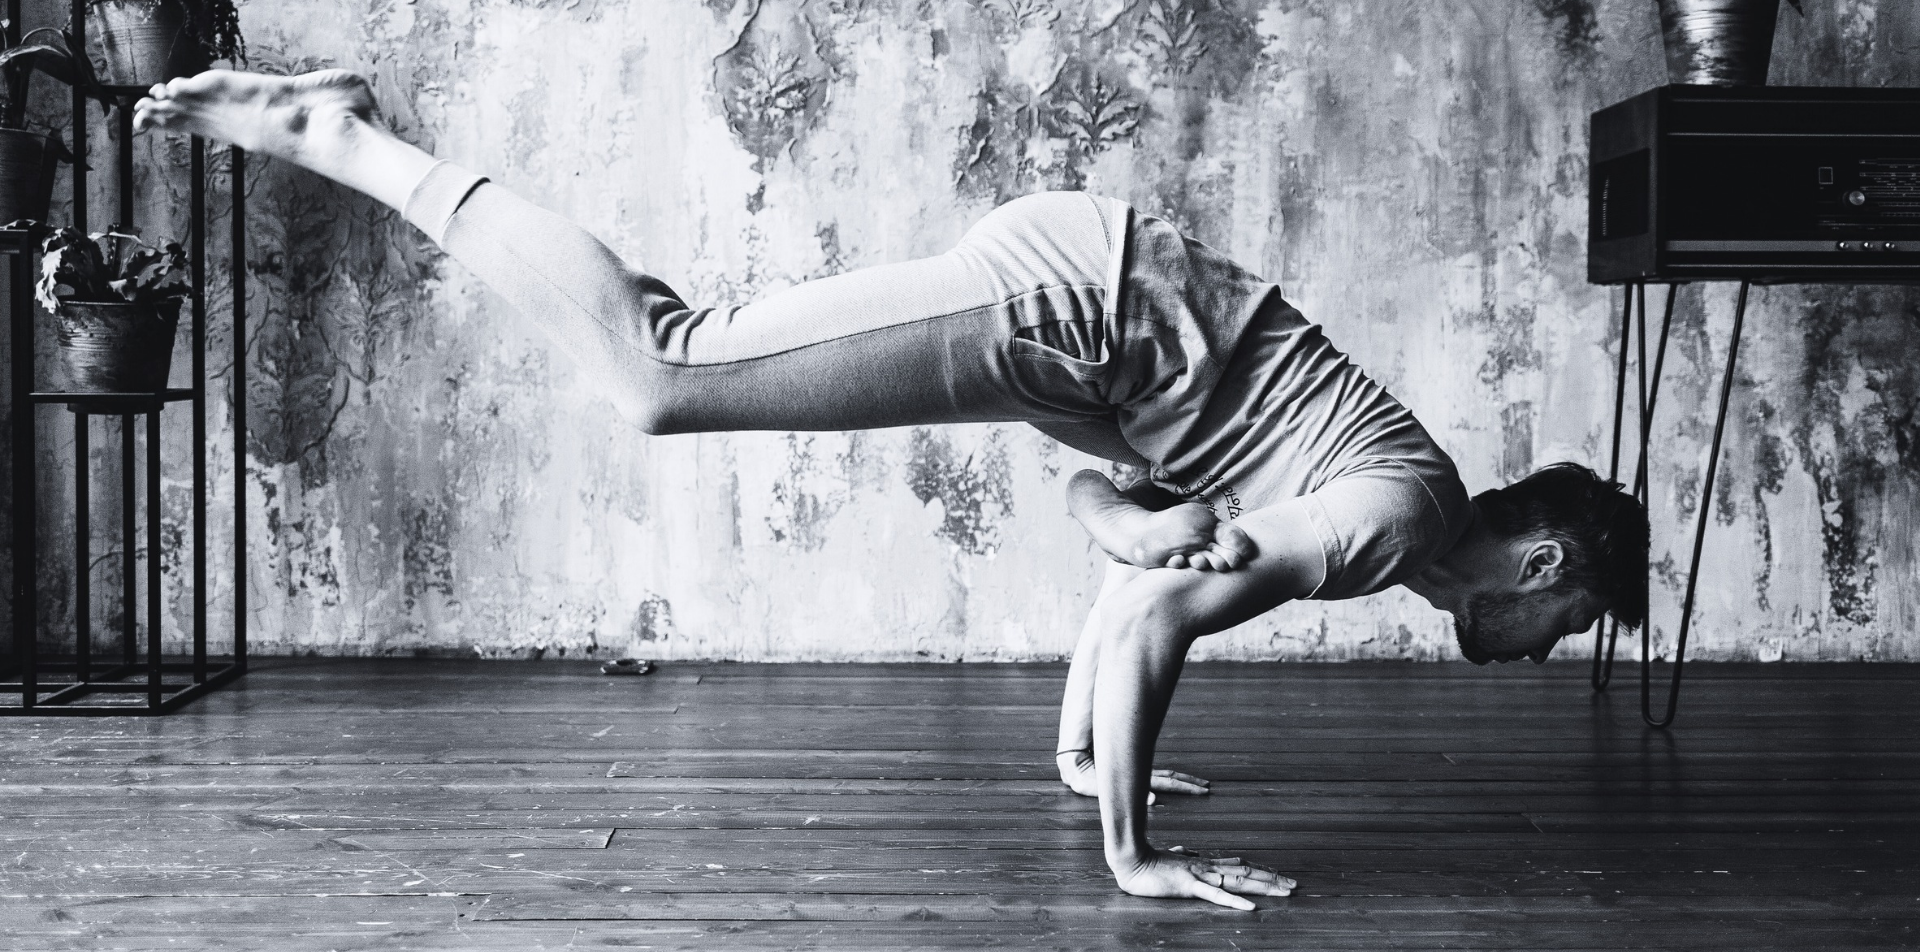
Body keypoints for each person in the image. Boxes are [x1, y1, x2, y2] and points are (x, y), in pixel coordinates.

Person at [132, 69, 1649, 911]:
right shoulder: (1394, 523)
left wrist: (1108, 599)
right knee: (663, 375)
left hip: (1092, 331)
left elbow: (1112, 527)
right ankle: (343, 134)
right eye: (1578, 619)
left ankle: (547, 250)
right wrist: (1135, 857)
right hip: (1079, 301)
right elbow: (1159, 620)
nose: (1555, 648)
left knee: (688, 343)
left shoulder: (1380, 492)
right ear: (1548, 565)